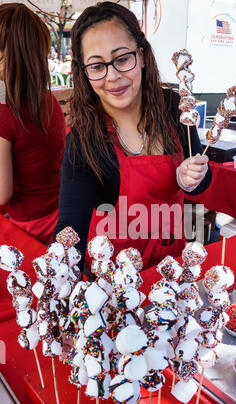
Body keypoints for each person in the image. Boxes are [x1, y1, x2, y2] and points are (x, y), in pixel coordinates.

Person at [54, 1, 212, 273]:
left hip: (170, 273)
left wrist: (193, 178)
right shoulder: (82, 140)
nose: (112, 76)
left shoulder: (174, 108)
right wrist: (58, 273)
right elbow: (71, 230)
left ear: (140, 55)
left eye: (122, 59)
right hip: (112, 288)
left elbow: (201, 183)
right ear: (84, 73)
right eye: (96, 66)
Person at [0, 3, 66, 245]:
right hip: (56, 214)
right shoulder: (48, 100)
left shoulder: (4, 112)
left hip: (25, 228)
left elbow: (1, 193)